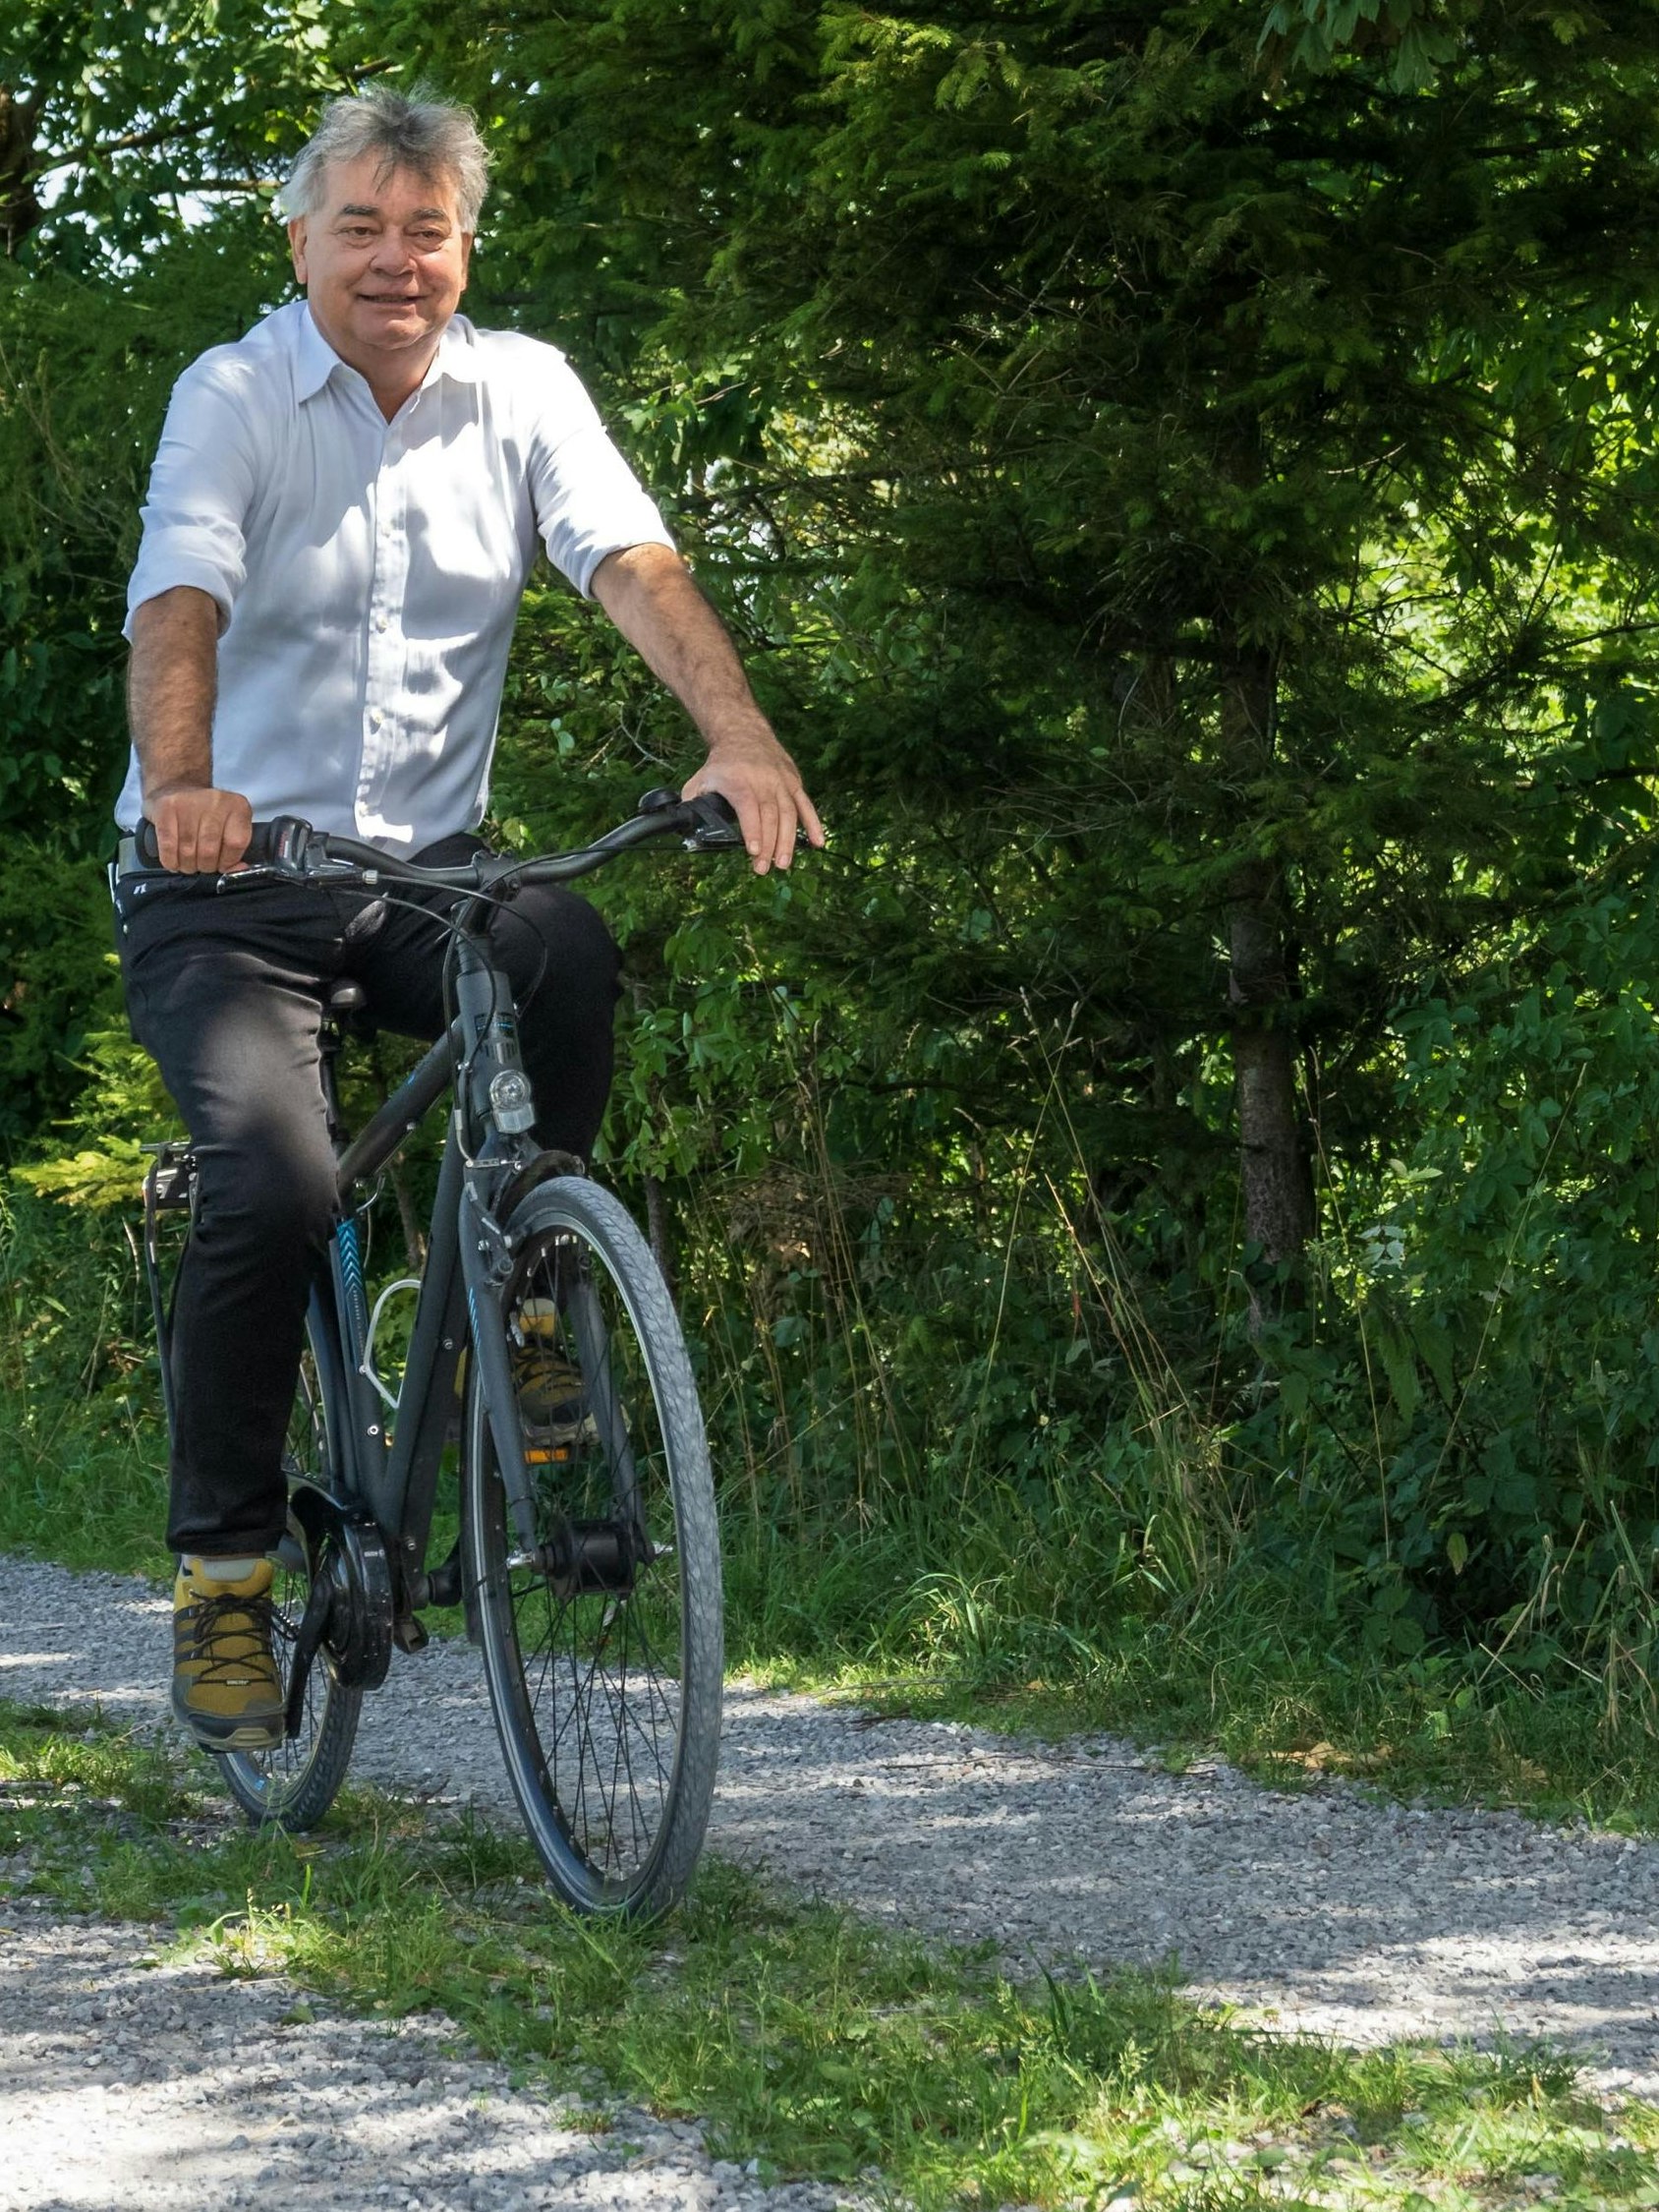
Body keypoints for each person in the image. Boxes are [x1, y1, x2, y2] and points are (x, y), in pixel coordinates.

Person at [114, 87, 824, 1755]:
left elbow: (632, 560)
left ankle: (523, 1290)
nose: (395, 260)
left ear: (466, 249)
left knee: (563, 941)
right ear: (301, 242)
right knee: (277, 1182)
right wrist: (185, 784)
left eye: (426, 230)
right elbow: (180, 596)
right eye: (360, 227)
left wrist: (739, 734)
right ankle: (225, 1572)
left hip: (419, 876)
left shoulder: (525, 392)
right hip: (225, 884)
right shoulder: (234, 395)